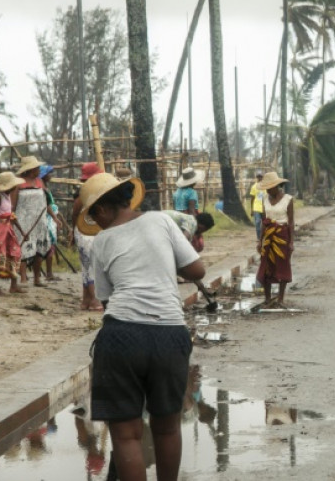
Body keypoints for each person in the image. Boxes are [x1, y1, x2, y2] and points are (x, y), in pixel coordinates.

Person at [77, 172, 205, 481]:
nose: (96, 223)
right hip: (169, 334)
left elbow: (106, 301)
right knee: (167, 427)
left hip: (121, 335)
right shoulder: (160, 221)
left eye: (95, 215)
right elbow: (197, 269)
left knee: (126, 435)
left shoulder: (102, 241)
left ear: (104, 210)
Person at [255, 172, 294, 307]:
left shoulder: (288, 199)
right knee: (266, 265)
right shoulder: (264, 199)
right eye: (266, 188)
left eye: (269, 187)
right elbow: (263, 221)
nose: (268, 190)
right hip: (268, 236)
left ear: (276, 186)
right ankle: (267, 298)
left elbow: (291, 222)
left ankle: (280, 299)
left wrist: (291, 242)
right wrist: (260, 240)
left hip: (282, 236)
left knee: (282, 265)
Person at [14, 156, 52, 286]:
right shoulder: (18, 183)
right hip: (23, 221)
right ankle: (23, 278)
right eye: (37, 168)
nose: (39, 170)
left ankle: (37, 278)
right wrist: (13, 220)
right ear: (30, 169)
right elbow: (13, 205)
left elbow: (45, 202)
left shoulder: (39, 182)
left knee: (40, 248)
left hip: (39, 221)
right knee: (24, 248)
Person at [71, 162, 104, 311]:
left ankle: (86, 300)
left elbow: (74, 214)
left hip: (84, 231)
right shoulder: (85, 194)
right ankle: (96, 300)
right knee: (92, 265)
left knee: (86, 266)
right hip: (87, 232)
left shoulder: (84, 192)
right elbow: (75, 214)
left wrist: (73, 230)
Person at [39, 164, 66, 281]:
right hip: (45, 220)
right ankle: (46, 274)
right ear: (44, 175)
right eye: (49, 173)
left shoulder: (45, 188)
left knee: (49, 246)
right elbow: (47, 206)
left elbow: (52, 206)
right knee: (46, 246)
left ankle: (48, 273)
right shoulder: (42, 189)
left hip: (50, 219)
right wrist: (55, 218)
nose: (51, 175)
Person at [247, 171, 265, 240]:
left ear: (262, 177)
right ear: (257, 177)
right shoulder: (254, 187)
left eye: (261, 176)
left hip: (264, 207)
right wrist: (251, 209)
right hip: (256, 207)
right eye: (258, 177)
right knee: (257, 222)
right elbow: (252, 198)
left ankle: (265, 236)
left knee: (265, 222)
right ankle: (259, 237)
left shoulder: (266, 186)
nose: (260, 178)